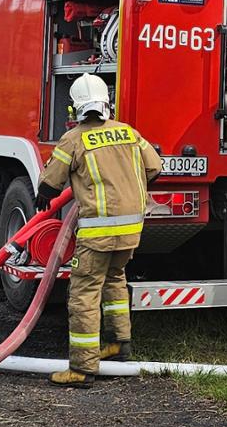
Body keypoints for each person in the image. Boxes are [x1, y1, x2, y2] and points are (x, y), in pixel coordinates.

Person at [36, 75, 162, 386]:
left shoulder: (74, 139)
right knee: (115, 280)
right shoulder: (127, 132)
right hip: (131, 230)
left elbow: (50, 184)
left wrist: (43, 197)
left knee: (84, 293)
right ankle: (120, 345)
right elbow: (155, 167)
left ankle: (82, 367)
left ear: (75, 108)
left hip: (96, 233)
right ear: (107, 103)